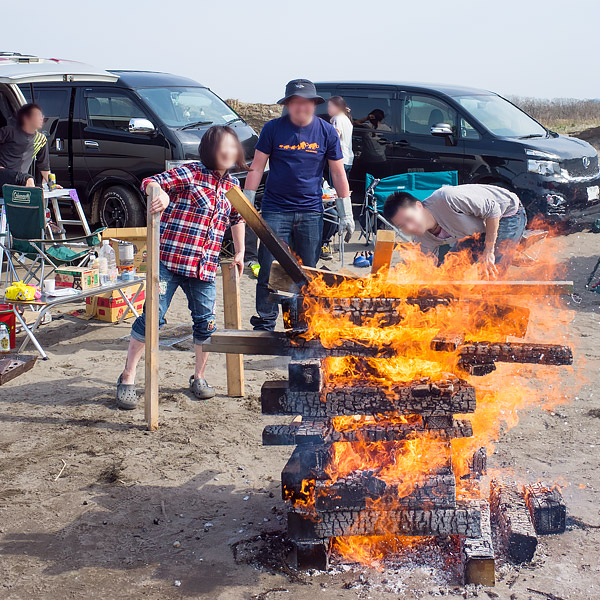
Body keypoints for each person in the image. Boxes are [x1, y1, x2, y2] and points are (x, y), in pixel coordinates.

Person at [115, 125, 246, 410]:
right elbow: (149, 181)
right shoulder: (191, 172)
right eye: (224, 145)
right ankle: (127, 377)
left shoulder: (231, 187)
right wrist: (159, 193)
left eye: (233, 146)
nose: (229, 151)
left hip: (204, 267)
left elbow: (238, 218)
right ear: (211, 148)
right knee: (153, 319)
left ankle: (198, 378)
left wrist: (240, 251)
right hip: (169, 262)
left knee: (206, 324)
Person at [243, 79, 352, 331]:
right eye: (295, 102)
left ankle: (300, 323)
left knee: (306, 272)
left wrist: (345, 211)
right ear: (288, 104)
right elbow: (258, 166)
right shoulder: (272, 129)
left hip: (311, 211)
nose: (301, 107)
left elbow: (337, 173)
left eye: (306, 103)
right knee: (269, 267)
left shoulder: (326, 132)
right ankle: (266, 322)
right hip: (275, 210)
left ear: (314, 104)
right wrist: (247, 201)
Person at [382, 184, 527, 279]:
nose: (410, 227)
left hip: (506, 214)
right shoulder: (423, 238)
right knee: (448, 273)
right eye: (403, 226)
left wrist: (489, 251)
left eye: (410, 218)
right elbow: (426, 269)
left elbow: (493, 209)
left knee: (489, 272)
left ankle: (491, 321)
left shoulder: (447, 198)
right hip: (474, 230)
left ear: (419, 206)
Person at [321, 96, 354, 258]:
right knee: (339, 194)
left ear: (336, 107)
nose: (328, 110)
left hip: (338, 161)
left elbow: (333, 136)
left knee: (333, 198)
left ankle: (327, 238)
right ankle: (330, 235)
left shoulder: (337, 119)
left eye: (330, 106)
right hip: (348, 159)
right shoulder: (347, 119)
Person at [0, 103, 58, 188]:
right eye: (37, 116)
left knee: (27, 179)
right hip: (3, 175)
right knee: (28, 179)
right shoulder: (8, 131)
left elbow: (44, 167)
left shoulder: (41, 139)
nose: (41, 119)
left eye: (41, 116)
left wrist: (52, 185)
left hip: (19, 180)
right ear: (26, 118)